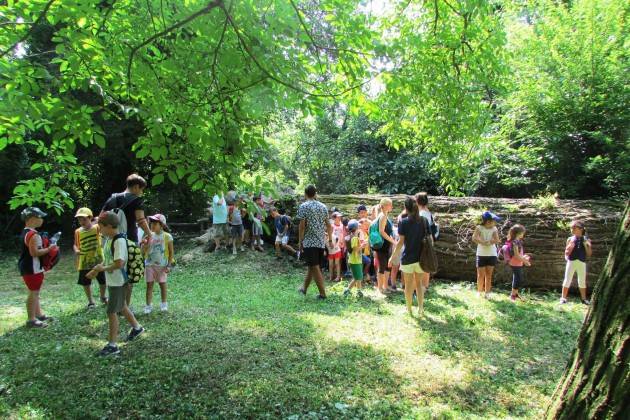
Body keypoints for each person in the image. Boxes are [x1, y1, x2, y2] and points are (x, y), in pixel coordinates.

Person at [90, 212, 144, 356]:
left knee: (112, 311)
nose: (98, 229)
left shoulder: (118, 241)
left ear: (108, 226)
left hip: (119, 281)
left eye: (100, 226)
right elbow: (108, 259)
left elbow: (119, 263)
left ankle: (113, 345)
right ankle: (137, 328)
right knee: (122, 306)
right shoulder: (109, 239)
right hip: (113, 280)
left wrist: (104, 268)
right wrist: (98, 268)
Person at [100, 174, 151, 309]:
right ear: (135, 187)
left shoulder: (112, 198)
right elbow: (140, 220)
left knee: (115, 271)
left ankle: (116, 303)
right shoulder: (136, 200)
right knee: (128, 274)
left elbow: (100, 218)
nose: (141, 192)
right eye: (141, 189)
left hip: (110, 240)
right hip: (128, 241)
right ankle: (124, 307)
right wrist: (149, 234)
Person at [18, 207, 57, 328]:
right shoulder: (33, 235)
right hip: (32, 268)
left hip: (30, 267)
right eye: (39, 217)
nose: (41, 220)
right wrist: (49, 249)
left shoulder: (26, 232)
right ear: (31, 219)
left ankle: (38, 315)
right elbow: (34, 253)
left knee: (35, 292)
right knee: (33, 292)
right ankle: (31, 319)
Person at [389, 197, 428, 317]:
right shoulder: (424, 220)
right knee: (419, 285)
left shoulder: (403, 222)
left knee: (409, 286)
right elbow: (429, 239)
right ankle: (421, 309)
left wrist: (392, 256)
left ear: (406, 208)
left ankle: (409, 309)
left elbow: (401, 242)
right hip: (421, 258)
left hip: (407, 258)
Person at [296, 185, 333, 299]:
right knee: (313, 266)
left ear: (305, 194)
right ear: (315, 193)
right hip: (321, 242)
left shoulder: (304, 206)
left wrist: (300, 241)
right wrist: (330, 239)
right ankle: (304, 289)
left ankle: (323, 294)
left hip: (309, 242)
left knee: (315, 267)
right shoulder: (323, 206)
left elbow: (302, 226)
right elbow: (329, 225)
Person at [73, 207, 107, 309]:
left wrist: (97, 219)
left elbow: (103, 221)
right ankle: (91, 301)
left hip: (98, 260)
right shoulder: (78, 231)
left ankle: (102, 296)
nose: (82, 221)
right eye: (79, 219)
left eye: (84, 219)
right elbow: (75, 244)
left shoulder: (97, 228)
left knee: (103, 280)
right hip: (84, 261)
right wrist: (76, 250)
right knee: (86, 282)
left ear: (90, 218)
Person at [142, 214, 174, 314]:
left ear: (162, 225)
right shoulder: (148, 235)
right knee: (149, 285)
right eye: (151, 223)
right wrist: (145, 244)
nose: (152, 225)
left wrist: (169, 265)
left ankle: (164, 304)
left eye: (155, 223)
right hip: (149, 265)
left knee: (162, 285)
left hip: (162, 265)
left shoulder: (167, 236)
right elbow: (143, 251)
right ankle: (148, 306)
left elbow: (171, 252)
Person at [560, 220, 592, 305]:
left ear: (581, 229)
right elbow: (566, 252)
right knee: (567, 279)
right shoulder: (570, 239)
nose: (572, 229)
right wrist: (567, 257)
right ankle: (563, 298)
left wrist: (586, 245)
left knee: (582, 280)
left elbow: (589, 253)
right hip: (571, 261)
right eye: (571, 227)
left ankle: (584, 299)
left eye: (574, 227)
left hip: (581, 262)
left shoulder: (586, 239)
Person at [472, 211, 501, 298]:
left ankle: (487, 293)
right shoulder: (479, 228)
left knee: (489, 275)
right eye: (494, 221)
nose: (495, 223)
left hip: (492, 254)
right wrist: (482, 242)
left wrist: (491, 241)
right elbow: (474, 238)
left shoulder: (494, 229)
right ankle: (479, 291)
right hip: (481, 254)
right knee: (480, 275)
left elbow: (497, 240)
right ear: (488, 221)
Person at [416, 192, 437, 290]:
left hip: (423, 241)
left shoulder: (422, 213)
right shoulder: (427, 212)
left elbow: (423, 229)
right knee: (425, 262)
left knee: (423, 263)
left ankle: (423, 286)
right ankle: (425, 285)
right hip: (428, 240)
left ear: (417, 201)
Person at [374, 198, 396, 294]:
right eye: (390, 205)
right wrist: (393, 241)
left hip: (386, 245)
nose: (392, 206)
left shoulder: (385, 215)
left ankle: (385, 286)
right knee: (382, 267)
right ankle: (380, 288)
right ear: (385, 206)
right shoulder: (382, 216)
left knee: (387, 266)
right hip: (382, 246)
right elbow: (381, 231)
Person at [505, 224, 531, 301]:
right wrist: (525, 261)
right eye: (522, 233)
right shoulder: (515, 242)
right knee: (518, 278)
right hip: (515, 262)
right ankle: (513, 295)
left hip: (518, 262)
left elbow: (519, 253)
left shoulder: (518, 241)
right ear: (518, 233)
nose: (523, 234)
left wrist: (524, 257)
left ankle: (515, 293)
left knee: (517, 277)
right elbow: (516, 255)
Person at [343, 219, 365, 297]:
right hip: (355, 261)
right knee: (357, 277)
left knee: (358, 277)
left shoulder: (351, 237)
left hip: (355, 260)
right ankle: (347, 290)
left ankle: (359, 291)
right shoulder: (355, 238)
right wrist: (362, 245)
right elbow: (356, 250)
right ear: (356, 228)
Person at [327, 212, 345, 281]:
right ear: (334, 218)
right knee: (332, 263)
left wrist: (343, 243)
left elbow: (343, 234)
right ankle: (332, 275)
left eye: (340, 217)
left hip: (340, 246)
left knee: (338, 262)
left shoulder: (342, 225)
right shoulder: (331, 226)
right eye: (338, 217)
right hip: (332, 247)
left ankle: (338, 276)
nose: (339, 218)